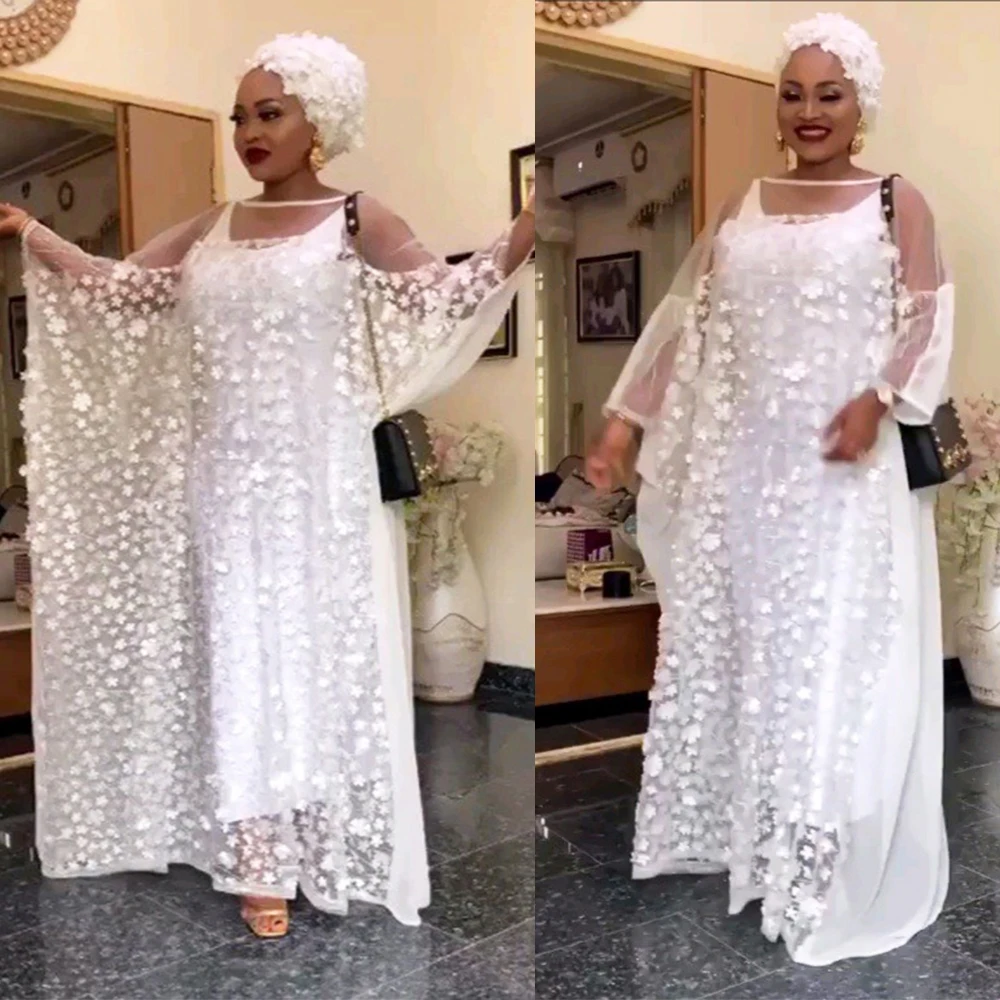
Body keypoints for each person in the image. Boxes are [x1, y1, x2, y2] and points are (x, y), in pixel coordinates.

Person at [0, 32, 534, 939]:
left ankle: (318, 836)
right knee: (241, 660)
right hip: (224, 487)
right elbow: (120, 290)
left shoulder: (358, 219)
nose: (250, 130)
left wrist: (529, 224)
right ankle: (258, 853)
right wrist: (35, 234)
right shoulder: (212, 226)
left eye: (270, 112)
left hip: (321, 488)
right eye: (240, 115)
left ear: (318, 121)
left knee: (316, 662)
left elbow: (452, 294)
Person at [586, 13, 951, 965]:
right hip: (744, 482)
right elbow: (686, 326)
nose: (809, 110)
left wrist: (879, 398)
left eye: (830, 93)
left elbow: (926, 317)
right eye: (792, 94)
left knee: (832, 664)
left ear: (861, 104)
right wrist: (624, 423)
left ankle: (818, 866)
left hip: (842, 480)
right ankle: (760, 846)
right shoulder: (743, 205)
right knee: (755, 660)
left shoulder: (894, 201)